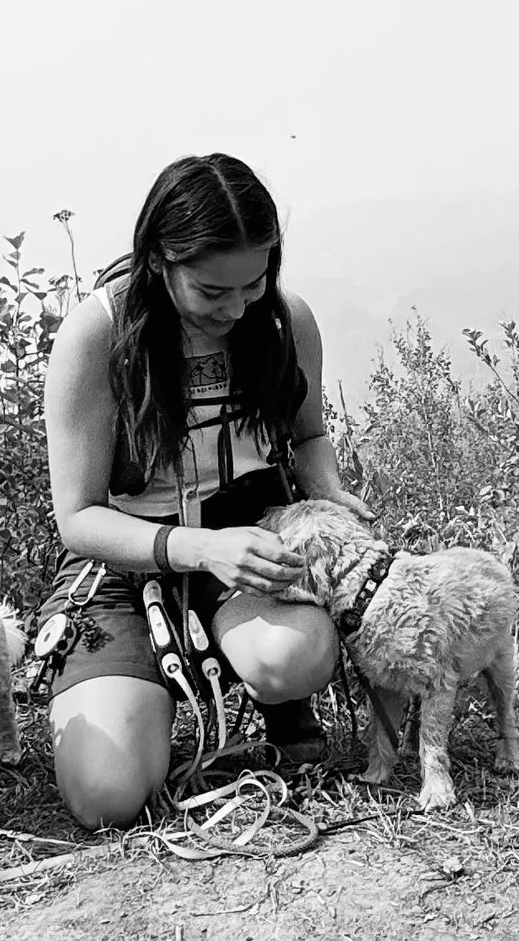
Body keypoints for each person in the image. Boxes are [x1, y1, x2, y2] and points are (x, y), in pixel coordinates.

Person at [38, 153, 355, 828]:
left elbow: (308, 436)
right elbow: (78, 517)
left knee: (292, 658)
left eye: (253, 283)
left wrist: (329, 491)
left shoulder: (283, 321)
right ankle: (141, 684)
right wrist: (198, 548)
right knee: (106, 797)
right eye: (212, 292)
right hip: (125, 558)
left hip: (253, 538)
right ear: (158, 259)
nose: (237, 307)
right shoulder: (98, 335)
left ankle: (272, 694)